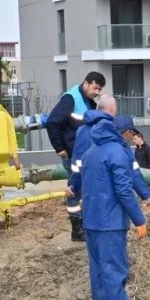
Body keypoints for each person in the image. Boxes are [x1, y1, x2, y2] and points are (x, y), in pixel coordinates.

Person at [80, 95, 148, 300]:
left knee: (97, 270)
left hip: (90, 222)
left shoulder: (90, 151)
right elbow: (123, 190)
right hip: (110, 223)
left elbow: (79, 184)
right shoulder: (117, 153)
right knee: (115, 270)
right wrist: (139, 220)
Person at [46, 71, 106, 241]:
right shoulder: (71, 98)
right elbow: (52, 122)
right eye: (95, 88)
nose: (97, 92)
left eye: (99, 90)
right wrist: (59, 148)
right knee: (74, 190)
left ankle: (85, 226)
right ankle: (77, 230)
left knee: (84, 190)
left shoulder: (89, 101)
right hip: (73, 154)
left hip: (83, 154)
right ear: (86, 83)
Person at [67, 97, 150, 205]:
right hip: (108, 193)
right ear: (113, 109)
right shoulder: (113, 130)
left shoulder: (82, 130)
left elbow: (77, 163)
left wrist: (74, 186)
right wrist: (146, 194)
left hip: (89, 191)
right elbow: (131, 169)